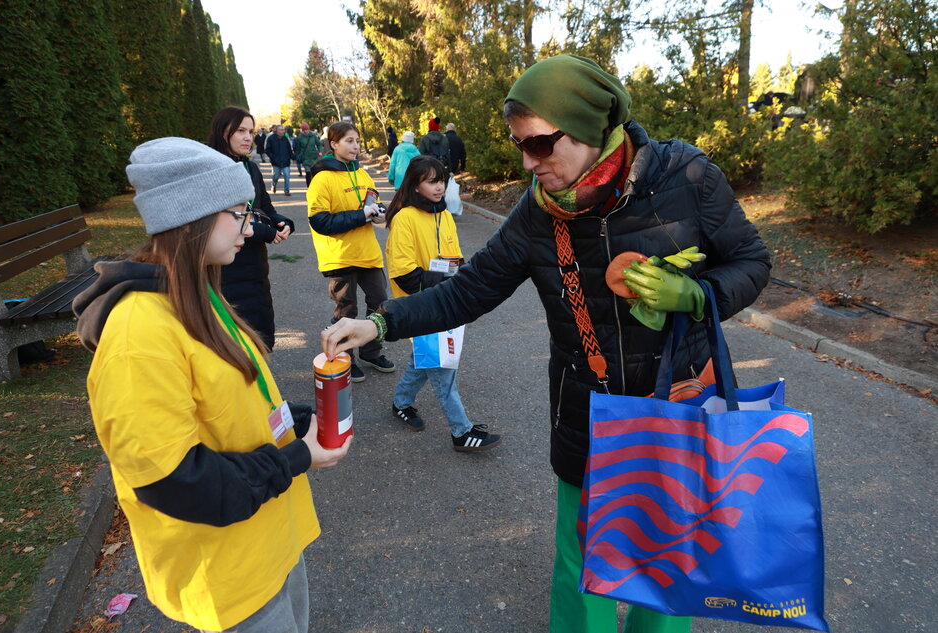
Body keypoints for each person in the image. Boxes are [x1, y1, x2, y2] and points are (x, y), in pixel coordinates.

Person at [320, 54, 771, 633]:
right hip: (588, 412)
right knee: (582, 564)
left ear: (587, 129)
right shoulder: (538, 214)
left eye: (540, 145)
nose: (531, 164)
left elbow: (752, 262)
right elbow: (468, 290)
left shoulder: (687, 178)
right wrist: (380, 324)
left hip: (679, 404)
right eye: (520, 148)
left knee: (668, 562)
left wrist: (697, 295)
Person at [73, 136, 351, 633]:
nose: (250, 226)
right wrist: (295, 458)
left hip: (269, 541)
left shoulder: (198, 291)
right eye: (239, 213)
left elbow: (232, 400)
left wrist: (302, 422)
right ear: (191, 215)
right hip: (229, 574)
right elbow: (176, 482)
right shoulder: (139, 335)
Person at [384, 155, 502, 451]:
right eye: (431, 181)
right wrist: (447, 284)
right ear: (415, 185)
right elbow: (406, 275)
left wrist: (461, 280)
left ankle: (401, 402)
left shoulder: (445, 214)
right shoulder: (404, 218)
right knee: (443, 368)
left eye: (442, 180)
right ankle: (461, 432)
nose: (439, 187)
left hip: (450, 303)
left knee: (425, 359)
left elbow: (456, 260)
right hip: (421, 307)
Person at [307, 121, 394, 383]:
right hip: (340, 256)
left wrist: (378, 213)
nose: (355, 146)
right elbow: (320, 222)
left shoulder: (363, 173)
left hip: (368, 253)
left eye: (357, 141)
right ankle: (345, 357)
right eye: (349, 141)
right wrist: (361, 215)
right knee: (346, 309)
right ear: (334, 144)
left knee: (379, 302)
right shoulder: (322, 179)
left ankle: (370, 351)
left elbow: (373, 201)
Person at [208, 106, 293, 351]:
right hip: (225, 268)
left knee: (261, 335)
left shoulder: (250, 167)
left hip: (256, 266)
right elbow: (223, 220)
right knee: (234, 342)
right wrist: (266, 232)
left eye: (251, 131)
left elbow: (263, 206)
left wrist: (281, 222)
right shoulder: (213, 170)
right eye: (241, 131)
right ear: (222, 132)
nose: (248, 137)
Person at [265, 124, 293, 196]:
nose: (283, 131)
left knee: (287, 175)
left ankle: (286, 191)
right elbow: (267, 150)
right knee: (276, 176)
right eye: (281, 130)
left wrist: (293, 157)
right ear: (276, 131)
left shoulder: (285, 139)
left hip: (285, 161)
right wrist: (272, 157)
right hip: (276, 161)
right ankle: (274, 185)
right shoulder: (271, 138)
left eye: (283, 130)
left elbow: (289, 149)